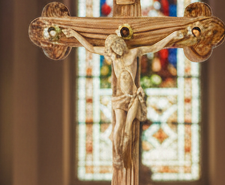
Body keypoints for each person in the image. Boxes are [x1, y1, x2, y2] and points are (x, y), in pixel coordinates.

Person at [63, 26, 188, 167]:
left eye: (118, 45)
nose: (117, 49)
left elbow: (154, 47)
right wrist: (74, 34)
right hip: (119, 98)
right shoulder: (113, 58)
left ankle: (127, 157)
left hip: (133, 96)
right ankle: (117, 155)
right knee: (118, 127)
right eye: (113, 48)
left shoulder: (134, 53)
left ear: (121, 43)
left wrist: (172, 36)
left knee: (128, 129)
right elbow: (90, 48)